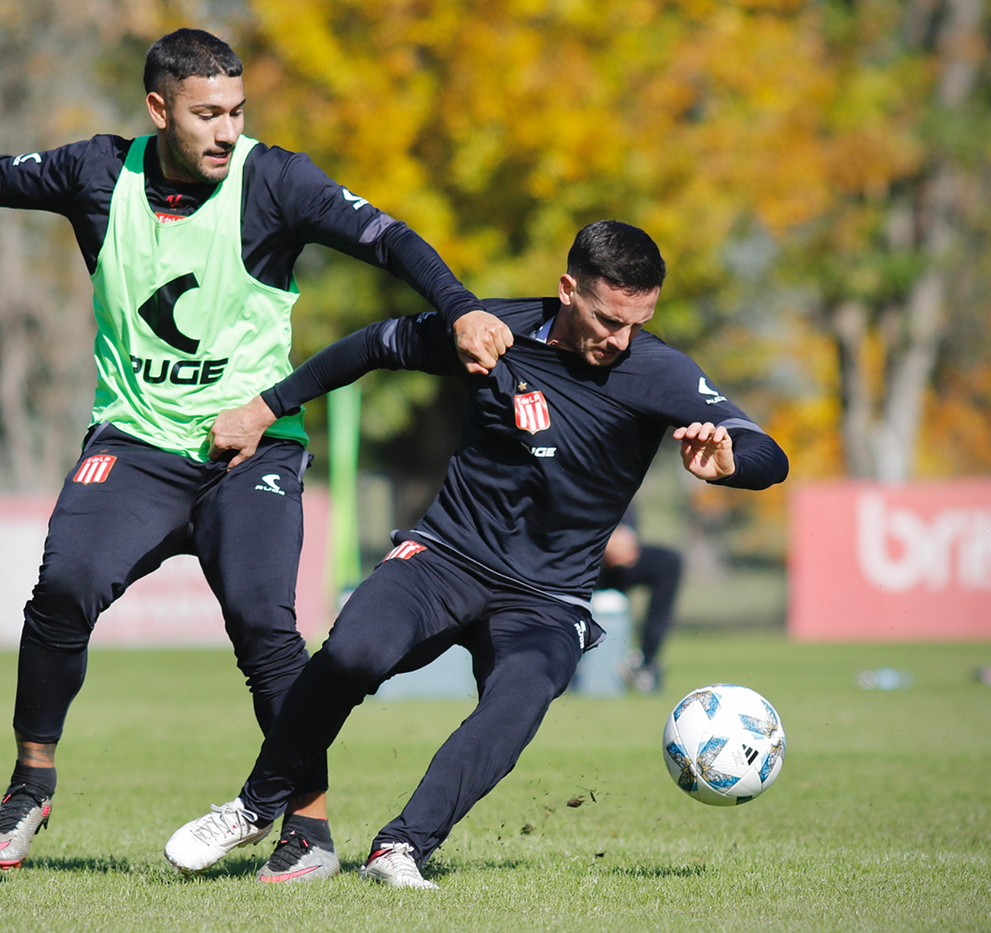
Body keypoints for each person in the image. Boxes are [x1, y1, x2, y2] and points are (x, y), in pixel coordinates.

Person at [0, 28, 512, 881]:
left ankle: (307, 832)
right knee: (62, 587)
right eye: (207, 114)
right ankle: (32, 781)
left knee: (266, 629)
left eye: (237, 111)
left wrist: (458, 306)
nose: (227, 130)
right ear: (158, 110)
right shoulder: (96, 173)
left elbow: (390, 238)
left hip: (253, 447)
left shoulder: (275, 180)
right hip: (135, 443)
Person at [165, 220, 788, 887]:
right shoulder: (492, 331)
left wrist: (728, 465)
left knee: (516, 704)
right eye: (608, 319)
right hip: (444, 558)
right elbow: (373, 345)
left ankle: (400, 847)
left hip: (548, 599)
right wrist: (265, 407)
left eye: (637, 322)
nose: (620, 339)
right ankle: (257, 805)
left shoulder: (656, 369)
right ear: (568, 289)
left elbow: (764, 450)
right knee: (350, 653)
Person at [600, 505, 683, 694]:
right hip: (577, 556)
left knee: (668, 563)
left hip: (615, 560)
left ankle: (646, 662)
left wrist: (626, 536)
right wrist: (602, 540)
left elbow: (625, 503)